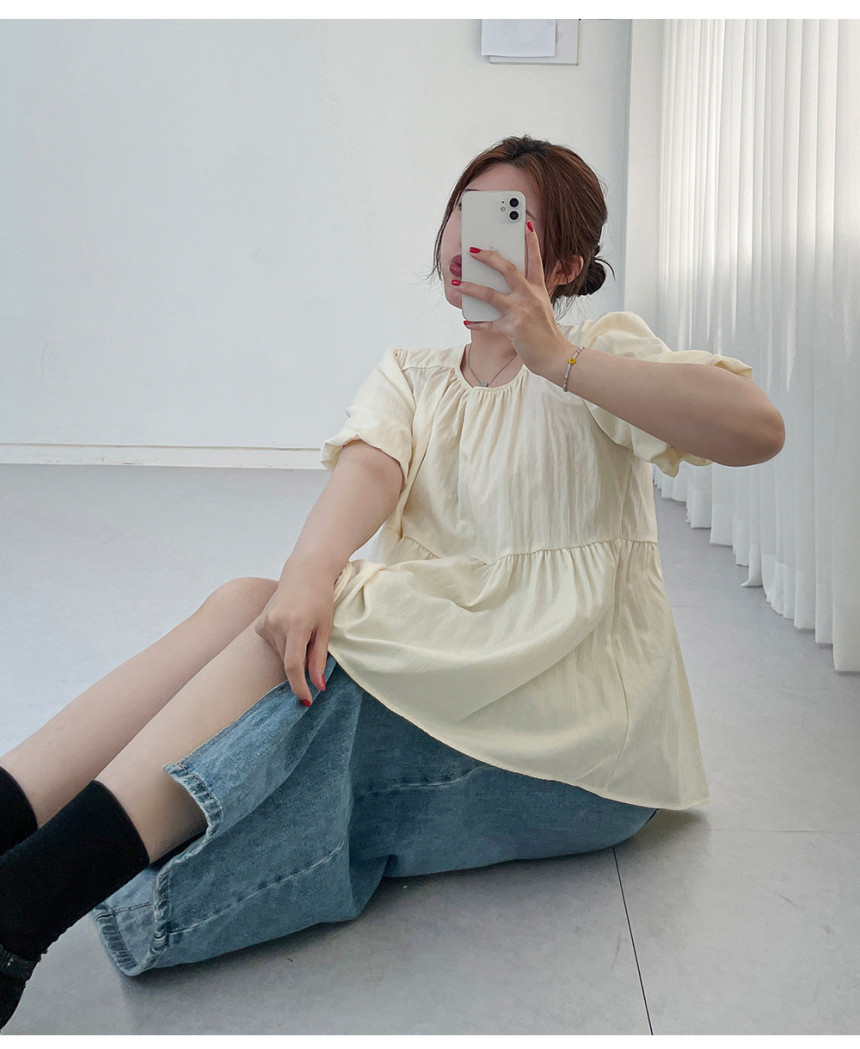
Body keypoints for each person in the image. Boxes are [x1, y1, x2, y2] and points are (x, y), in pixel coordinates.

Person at [0, 134, 785, 1030]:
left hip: (579, 746)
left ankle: (21, 908)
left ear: (566, 264)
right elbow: (369, 471)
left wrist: (557, 357)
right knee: (254, 600)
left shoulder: (600, 356)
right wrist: (306, 574)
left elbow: (756, 429)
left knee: (305, 626)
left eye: (506, 218)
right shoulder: (414, 376)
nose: (467, 235)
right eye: (462, 210)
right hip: (459, 684)